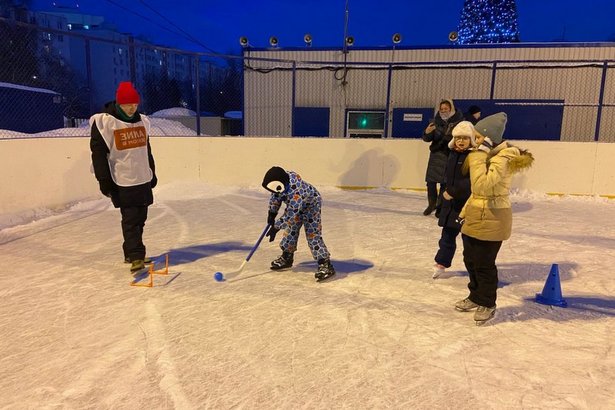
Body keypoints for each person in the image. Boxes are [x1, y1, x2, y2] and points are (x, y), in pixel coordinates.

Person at [454, 112, 534, 324]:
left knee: (484, 263)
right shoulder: (488, 157)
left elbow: (481, 185)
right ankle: (475, 296)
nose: (475, 142)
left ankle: (487, 302)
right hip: (476, 215)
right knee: (470, 260)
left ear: (490, 138)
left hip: (494, 217)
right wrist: (463, 213)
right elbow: (477, 193)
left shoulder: (503, 158)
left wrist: (479, 156)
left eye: (479, 137)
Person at [89, 82, 157, 273]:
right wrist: (104, 181)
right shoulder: (105, 123)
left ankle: (131, 253)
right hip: (122, 180)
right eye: (128, 105)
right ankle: (136, 256)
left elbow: (146, 149)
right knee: (130, 219)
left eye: (134, 105)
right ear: (119, 103)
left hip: (142, 178)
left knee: (141, 217)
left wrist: (152, 171)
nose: (131, 108)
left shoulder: (142, 121)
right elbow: (98, 155)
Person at [261, 166, 336, 282]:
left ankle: (325, 263)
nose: (274, 192)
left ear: (282, 184)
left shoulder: (296, 190)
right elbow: (275, 197)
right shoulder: (280, 186)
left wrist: (276, 227)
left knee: (313, 235)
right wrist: (272, 213)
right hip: (296, 208)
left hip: (311, 207)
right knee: (290, 231)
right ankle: (287, 257)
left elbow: (290, 214)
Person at [432, 121, 474, 279]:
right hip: (451, 204)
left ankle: (474, 266)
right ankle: (441, 263)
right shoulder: (452, 154)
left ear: (471, 139)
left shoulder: (473, 157)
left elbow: (472, 181)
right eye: (458, 138)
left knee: (469, 240)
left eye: (465, 138)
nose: (461, 141)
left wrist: (454, 191)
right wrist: (443, 199)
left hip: (466, 206)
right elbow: (447, 178)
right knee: (447, 236)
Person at [422, 99, 463, 217]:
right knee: (430, 182)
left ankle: (440, 207)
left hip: (449, 155)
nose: (444, 111)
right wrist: (427, 132)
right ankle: (431, 204)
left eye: (446, 108)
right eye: (442, 109)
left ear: (451, 109)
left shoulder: (459, 122)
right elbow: (427, 139)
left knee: (444, 184)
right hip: (436, 155)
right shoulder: (435, 122)